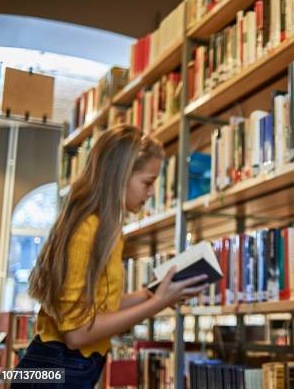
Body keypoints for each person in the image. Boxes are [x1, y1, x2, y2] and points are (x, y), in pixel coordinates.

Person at [13, 125, 205, 388]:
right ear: (120, 175)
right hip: (53, 369)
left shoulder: (107, 230)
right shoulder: (87, 231)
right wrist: (157, 304)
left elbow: (98, 305)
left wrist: (150, 294)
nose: (151, 193)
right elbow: (76, 333)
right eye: (147, 182)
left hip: (62, 367)